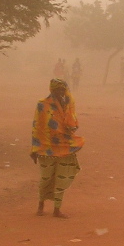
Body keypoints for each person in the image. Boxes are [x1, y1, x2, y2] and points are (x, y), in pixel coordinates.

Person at [30, 78, 84, 218]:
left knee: (61, 177)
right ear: (52, 90)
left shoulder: (68, 105)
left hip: (64, 146)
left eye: (63, 90)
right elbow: (37, 126)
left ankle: (57, 209)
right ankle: (41, 205)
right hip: (45, 147)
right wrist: (34, 149)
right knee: (46, 178)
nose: (61, 92)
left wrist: (67, 108)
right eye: (58, 90)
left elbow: (72, 126)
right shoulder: (42, 105)